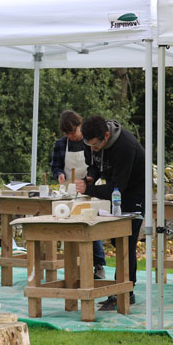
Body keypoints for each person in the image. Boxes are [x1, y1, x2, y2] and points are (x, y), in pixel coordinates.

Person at [74, 115, 145, 311]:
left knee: (127, 241)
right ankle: (122, 287)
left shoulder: (125, 147)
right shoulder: (92, 142)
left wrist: (88, 190)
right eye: (89, 145)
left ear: (106, 136)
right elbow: (95, 166)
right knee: (116, 239)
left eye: (96, 146)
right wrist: (90, 178)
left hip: (136, 192)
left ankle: (124, 292)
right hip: (116, 192)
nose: (92, 149)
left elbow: (116, 187)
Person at [50, 110, 106, 280]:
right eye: (67, 133)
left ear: (80, 126)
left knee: (90, 224)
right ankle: (73, 266)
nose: (71, 136)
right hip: (69, 191)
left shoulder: (89, 142)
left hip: (90, 189)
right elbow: (55, 166)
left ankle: (98, 264)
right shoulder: (61, 145)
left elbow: (96, 165)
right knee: (69, 227)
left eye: (73, 132)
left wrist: (89, 180)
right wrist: (58, 173)